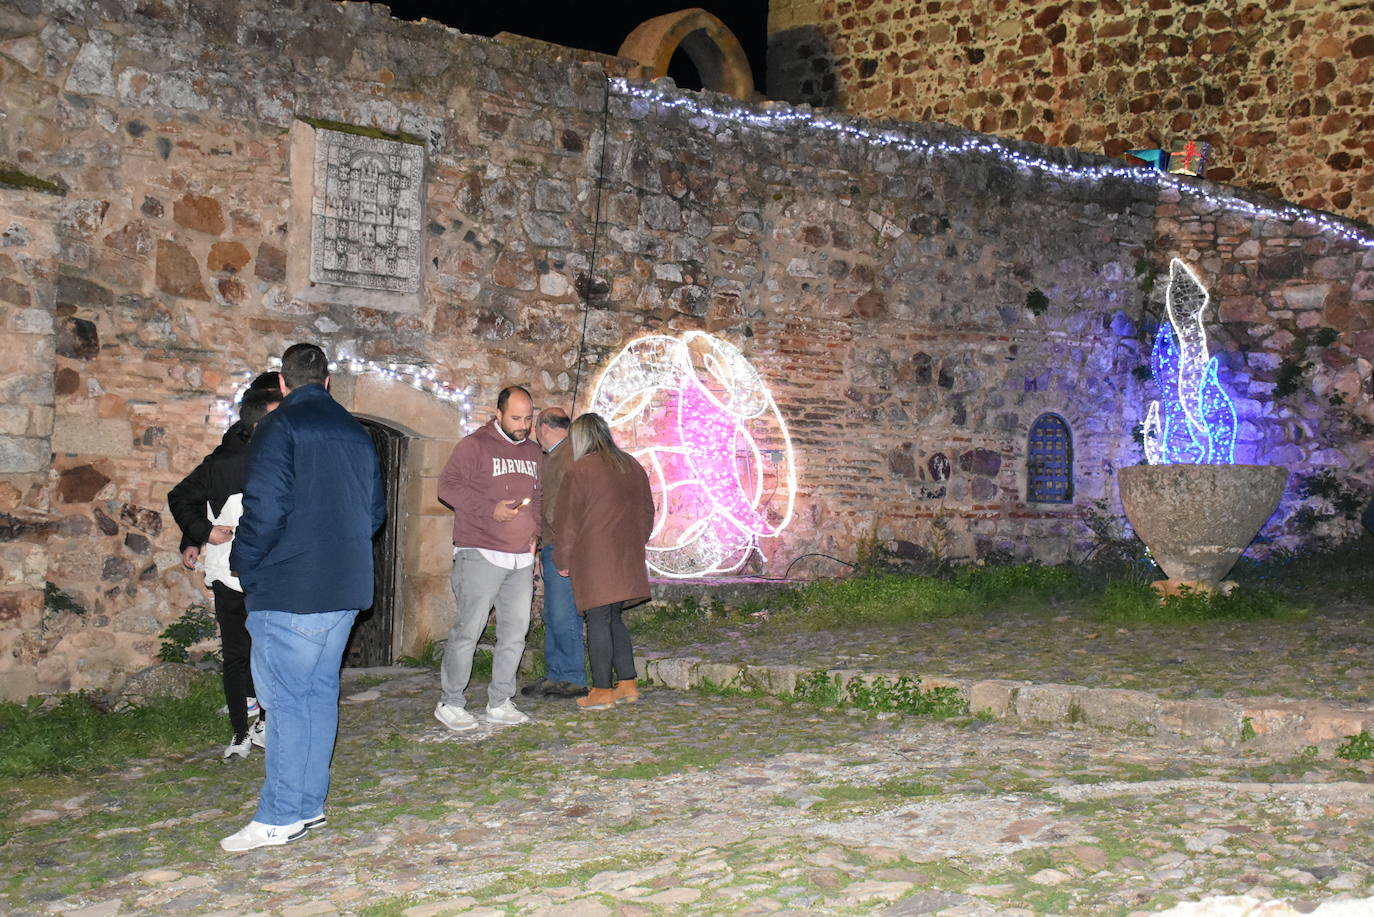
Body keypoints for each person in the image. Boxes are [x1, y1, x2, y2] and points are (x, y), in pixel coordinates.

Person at [221, 344, 385, 853]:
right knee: (316, 697)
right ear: (327, 382)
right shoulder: (356, 433)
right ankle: (308, 804)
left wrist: (243, 562)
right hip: (344, 589)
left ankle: (280, 815)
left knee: (287, 703)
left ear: (284, 384)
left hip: (291, 589)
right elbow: (374, 513)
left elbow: (265, 507)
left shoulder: (279, 426)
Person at [168, 385, 281, 761]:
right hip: (233, 572)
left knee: (265, 650)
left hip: (269, 568)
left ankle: (263, 721)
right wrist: (200, 533)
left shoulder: (273, 452)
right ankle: (241, 730)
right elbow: (189, 496)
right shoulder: (229, 459)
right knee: (239, 651)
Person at [434, 385, 542, 731]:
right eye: (516, 418)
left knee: (515, 633)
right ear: (498, 414)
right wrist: (489, 509)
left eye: (528, 418)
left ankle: (500, 700)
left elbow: (537, 498)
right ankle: (450, 701)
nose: (523, 425)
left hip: (520, 559)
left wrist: (534, 538)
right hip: (480, 551)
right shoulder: (474, 445)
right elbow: (447, 487)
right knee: (469, 630)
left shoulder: (533, 451)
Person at [553, 413, 655, 711]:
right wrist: (636, 541)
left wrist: (563, 558)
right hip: (626, 555)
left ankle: (601, 690)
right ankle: (627, 684)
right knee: (614, 620)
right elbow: (647, 512)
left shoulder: (580, 470)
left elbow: (567, 521)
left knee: (597, 620)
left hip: (595, 557)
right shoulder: (631, 465)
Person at [520, 407, 589, 699]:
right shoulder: (566, 454)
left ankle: (572, 676)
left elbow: (558, 507)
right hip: (557, 544)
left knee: (563, 614)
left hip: (562, 545)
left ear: (543, 428)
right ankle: (556, 673)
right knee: (553, 613)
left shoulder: (564, 457)